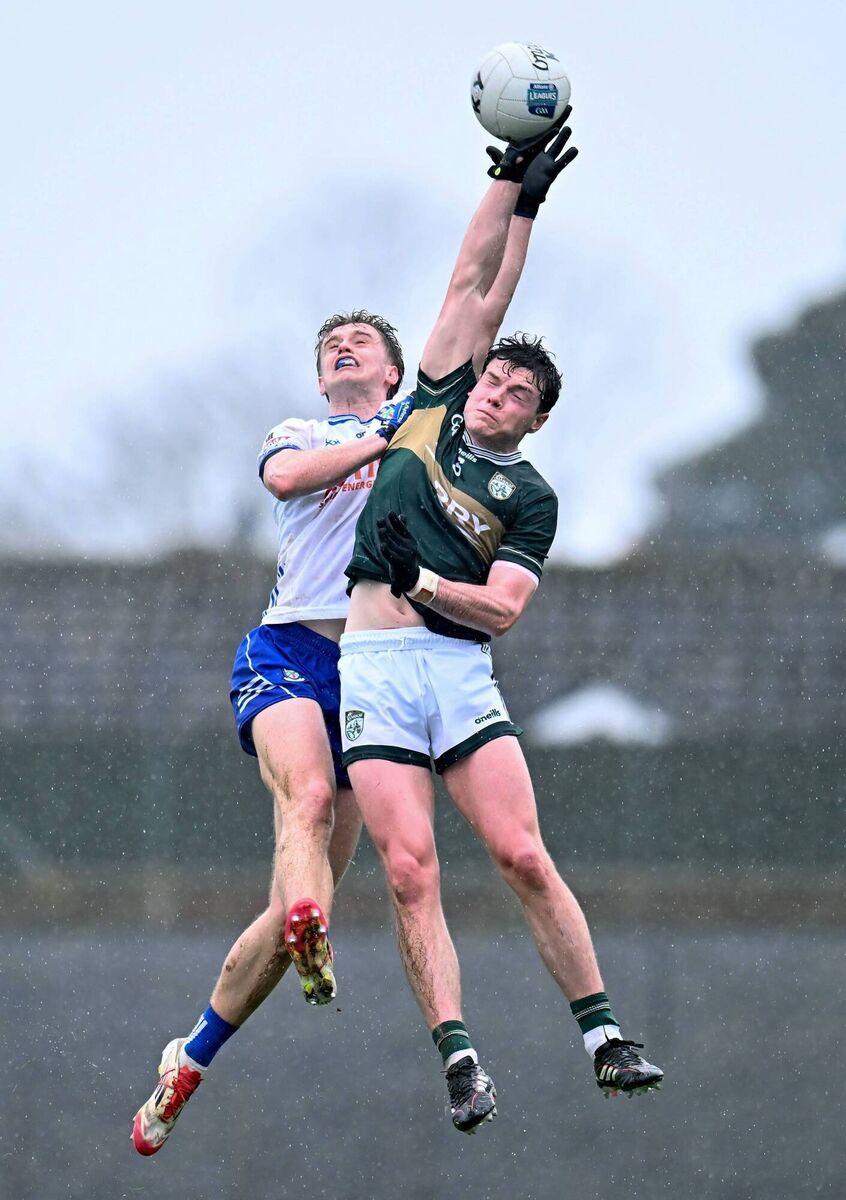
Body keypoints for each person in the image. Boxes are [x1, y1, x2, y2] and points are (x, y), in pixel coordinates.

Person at [339, 116, 664, 1134]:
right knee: (407, 868)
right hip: (375, 668)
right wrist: (518, 197)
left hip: (455, 669)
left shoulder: (531, 499)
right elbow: (477, 284)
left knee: (523, 856)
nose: (498, 391)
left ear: (534, 418)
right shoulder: (430, 401)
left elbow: (506, 611)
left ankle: (604, 1038)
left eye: (519, 392)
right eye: (495, 377)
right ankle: (460, 1060)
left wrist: (425, 582)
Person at [131, 310, 415, 1155]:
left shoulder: (422, 431)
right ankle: (306, 919)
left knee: (295, 914)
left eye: (364, 339)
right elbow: (288, 481)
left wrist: (517, 208)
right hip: (290, 652)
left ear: (396, 372)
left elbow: (474, 308)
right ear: (323, 381)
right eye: (332, 345)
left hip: (375, 670)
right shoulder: (303, 432)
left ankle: (191, 1060)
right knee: (312, 799)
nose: (344, 346)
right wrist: (379, 439)